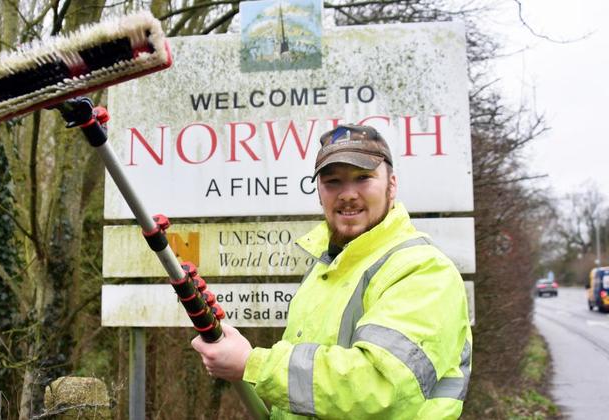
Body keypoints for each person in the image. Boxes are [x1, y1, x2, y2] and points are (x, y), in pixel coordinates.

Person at [192, 124, 473, 419]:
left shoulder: (424, 270)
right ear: (319, 192)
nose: (347, 194)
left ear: (391, 185)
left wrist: (252, 364)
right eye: (333, 181)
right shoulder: (324, 269)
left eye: (363, 178)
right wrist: (242, 359)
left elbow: (378, 386)